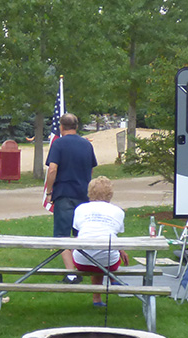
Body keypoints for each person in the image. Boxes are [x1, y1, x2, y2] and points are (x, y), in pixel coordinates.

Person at [61, 176, 129, 307]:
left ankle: (97, 299)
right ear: (110, 193)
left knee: (91, 252)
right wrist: (121, 250)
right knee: (103, 255)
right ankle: (111, 279)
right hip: (109, 262)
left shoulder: (80, 209)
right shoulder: (118, 211)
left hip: (82, 261)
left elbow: (78, 229)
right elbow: (113, 233)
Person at [44, 112, 96, 237]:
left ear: (61, 127)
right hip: (83, 194)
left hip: (64, 194)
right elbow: (91, 169)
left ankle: (68, 257)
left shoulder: (58, 144)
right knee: (81, 235)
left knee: (62, 237)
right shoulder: (87, 145)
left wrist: (49, 192)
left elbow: (52, 169)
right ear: (76, 127)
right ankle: (79, 257)